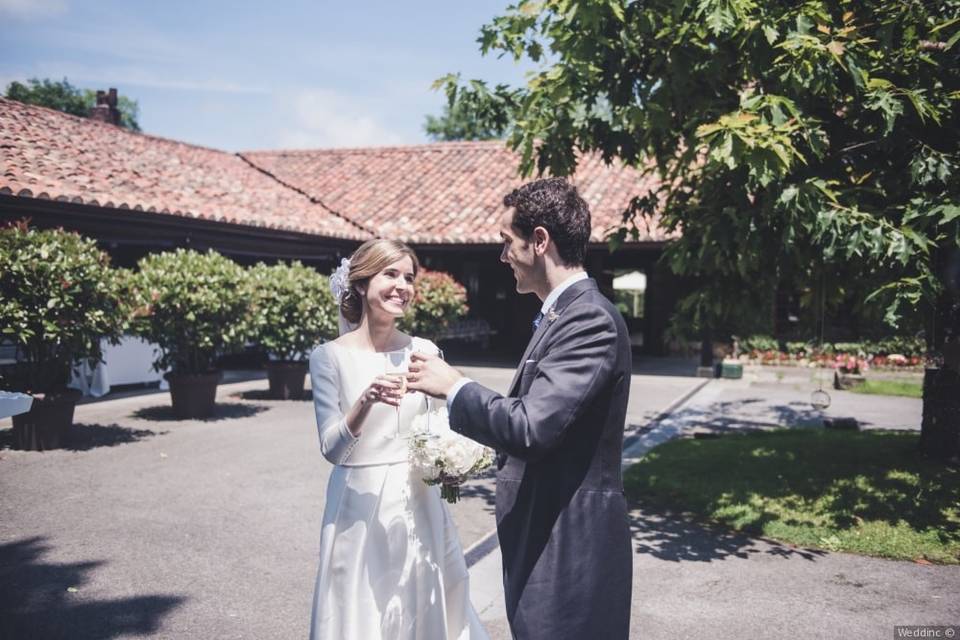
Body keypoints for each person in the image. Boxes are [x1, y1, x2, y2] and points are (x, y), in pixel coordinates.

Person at [407, 178, 633, 639]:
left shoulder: (588, 319)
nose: (502, 255)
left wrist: (455, 387)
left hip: (568, 546)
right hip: (545, 538)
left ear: (540, 240)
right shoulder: (561, 315)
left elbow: (532, 427)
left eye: (507, 241)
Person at [308, 238, 488, 640]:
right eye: (390, 274)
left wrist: (452, 463)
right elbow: (332, 449)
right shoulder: (328, 357)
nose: (402, 285)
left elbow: (443, 425)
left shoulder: (424, 351)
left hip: (418, 501)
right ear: (360, 284)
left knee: (422, 604)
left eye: (409, 277)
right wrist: (366, 401)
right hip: (357, 503)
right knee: (362, 610)